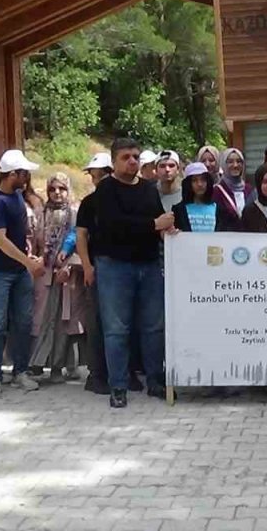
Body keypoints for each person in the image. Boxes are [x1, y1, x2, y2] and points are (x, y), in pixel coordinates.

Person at [92, 138, 174, 409]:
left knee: (153, 327)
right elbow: (113, 226)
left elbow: (161, 223)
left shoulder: (149, 190)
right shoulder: (105, 190)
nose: (132, 161)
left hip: (149, 265)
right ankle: (118, 386)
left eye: (136, 156)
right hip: (114, 267)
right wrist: (153, 224)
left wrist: (171, 231)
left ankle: (155, 381)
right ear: (114, 161)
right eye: (126, 157)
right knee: (116, 330)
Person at [0, 149, 45, 399]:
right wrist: (28, 263)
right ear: (12, 175)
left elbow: (21, 236)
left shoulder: (18, 198)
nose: (27, 177)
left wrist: (29, 256)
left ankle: (21, 370)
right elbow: (0, 240)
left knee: (24, 322)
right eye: (23, 172)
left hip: (19, 271)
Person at [28, 173, 84, 383]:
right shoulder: (41, 213)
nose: (57, 193)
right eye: (53, 189)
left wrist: (69, 265)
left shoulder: (75, 213)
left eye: (62, 188)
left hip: (68, 276)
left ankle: (61, 366)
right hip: (44, 275)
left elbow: (81, 239)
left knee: (64, 321)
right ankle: (38, 362)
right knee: (42, 318)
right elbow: (35, 241)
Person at [75, 152, 112, 395]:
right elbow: (81, 236)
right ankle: (97, 374)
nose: (98, 180)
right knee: (97, 322)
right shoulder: (89, 203)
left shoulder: (124, 198)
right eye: (95, 176)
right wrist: (87, 266)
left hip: (122, 267)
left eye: (102, 175)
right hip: (98, 267)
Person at [173, 162, 239, 232]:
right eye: (194, 180)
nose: (200, 184)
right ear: (188, 184)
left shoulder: (220, 211)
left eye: (203, 180)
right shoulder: (178, 211)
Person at [214, 148, 253, 219]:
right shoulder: (216, 191)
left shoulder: (249, 189)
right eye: (230, 162)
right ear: (223, 164)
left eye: (239, 161)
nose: (235, 165)